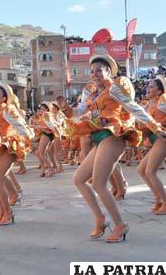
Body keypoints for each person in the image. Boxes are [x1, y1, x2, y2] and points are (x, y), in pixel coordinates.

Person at [56, 53, 166, 243]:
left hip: (113, 135)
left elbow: (134, 108)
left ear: (108, 72)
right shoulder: (94, 95)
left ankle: (120, 225)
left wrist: (156, 127)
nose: (95, 74)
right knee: (80, 179)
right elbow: (80, 111)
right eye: (92, 71)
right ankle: (100, 219)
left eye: (99, 71)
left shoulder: (114, 89)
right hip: (100, 136)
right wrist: (65, 108)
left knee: (98, 183)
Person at [0, 83, 34, 225]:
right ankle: (3, 208)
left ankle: (8, 212)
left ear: (5, 98)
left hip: (8, 146)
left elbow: (22, 128)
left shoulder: (9, 110)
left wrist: (25, 140)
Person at [136, 75, 166, 214]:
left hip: (163, 137)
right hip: (155, 139)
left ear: (159, 91)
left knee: (150, 171)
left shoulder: (163, 101)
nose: (148, 89)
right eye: (148, 86)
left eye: (152, 87)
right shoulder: (147, 104)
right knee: (141, 170)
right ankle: (158, 199)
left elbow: (158, 123)